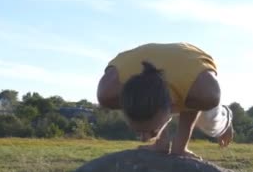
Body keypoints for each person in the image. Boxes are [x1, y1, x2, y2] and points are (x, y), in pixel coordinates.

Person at [97, 42, 233, 158]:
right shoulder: (108, 93)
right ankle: (161, 143)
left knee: (211, 123)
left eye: (152, 131)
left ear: (172, 107)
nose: (144, 139)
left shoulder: (207, 92)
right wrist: (160, 141)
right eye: (138, 131)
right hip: (142, 59)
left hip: (191, 63)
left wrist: (180, 147)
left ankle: (226, 120)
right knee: (153, 110)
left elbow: (191, 105)